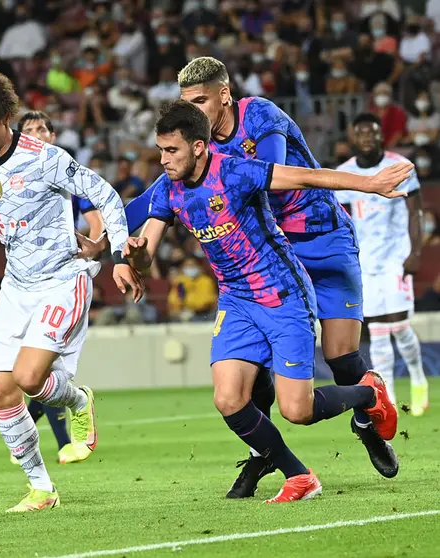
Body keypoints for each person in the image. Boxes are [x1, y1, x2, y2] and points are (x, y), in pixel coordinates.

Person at [120, 56, 398, 498]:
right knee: (240, 388)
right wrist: (111, 242)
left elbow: (284, 174)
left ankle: (366, 414)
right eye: (186, 103)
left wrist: (369, 184)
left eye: (200, 101)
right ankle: (274, 460)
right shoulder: (188, 163)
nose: (194, 111)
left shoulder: (255, 125)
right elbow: (152, 204)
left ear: (223, 95)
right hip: (258, 267)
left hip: (318, 242)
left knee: (341, 358)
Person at [0, 70, 143, 512]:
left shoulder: (46, 158)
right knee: (2, 394)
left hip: (63, 279)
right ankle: (42, 488)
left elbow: (106, 196)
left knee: (28, 378)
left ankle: (78, 400)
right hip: (16, 287)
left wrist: (119, 254)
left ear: (8, 117)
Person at [0, 109, 105, 466]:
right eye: (29, 129)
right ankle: (42, 468)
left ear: (51, 135)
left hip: (61, 281)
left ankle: (67, 430)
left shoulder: (60, 175)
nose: (35, 134)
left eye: (41, 129)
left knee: (34, 374)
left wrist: (97, 248)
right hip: (20, 286)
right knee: (14, 386)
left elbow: (96, 217)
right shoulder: (2, 180)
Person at [336, 114, 429, 416]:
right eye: (361, 133)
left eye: (372, 133)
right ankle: (388, 396)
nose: (367, 139)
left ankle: (417, 377)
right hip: (366, 260)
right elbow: (339, 219)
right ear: (354, 137)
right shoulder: (345, 173)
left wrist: (415, 251)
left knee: (399, 325)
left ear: (380, 136)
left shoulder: (399, 166)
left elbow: (415, 212)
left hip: (396, 255)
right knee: (376, 329)